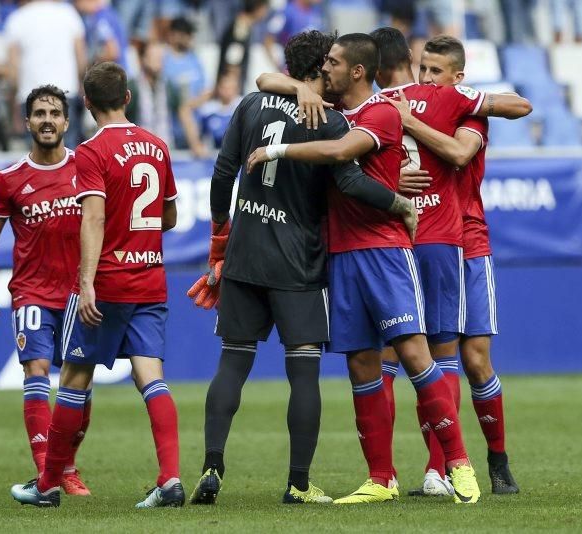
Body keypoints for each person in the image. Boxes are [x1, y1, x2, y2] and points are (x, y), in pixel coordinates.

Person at [186, 29, 419, 506]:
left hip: (245, 255)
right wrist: (398, 203)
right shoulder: (329, 120)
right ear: (320, 70)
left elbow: (222, 173)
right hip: (298, 261)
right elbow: (352, 183)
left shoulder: (251, 105)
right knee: (303, 375)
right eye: (329, 65)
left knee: (232, 362)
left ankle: (212, 466)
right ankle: (297, 483)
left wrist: (219, 238)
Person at [250, 33, 481, 505]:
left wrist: (277, 151)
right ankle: (381, 479)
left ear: (356, 71)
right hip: (341, 255)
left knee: (415, 354)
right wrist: (302, 89)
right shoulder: (332, 109)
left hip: (385, 252)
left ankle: (458, 463)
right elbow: (264, 78)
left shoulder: (380, 112)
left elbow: (339, 154)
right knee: (360, 363)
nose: (325, 69)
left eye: (332, 63)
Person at [10, 62, 183, 508]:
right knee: (152, 379)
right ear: (128, 97)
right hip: (151, 279)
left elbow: (93, 217)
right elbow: (170, 216)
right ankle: (170, 479)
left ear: (85, 104)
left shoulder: (91, 151)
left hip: (107, 283)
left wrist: (85, 282)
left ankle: (47, 484)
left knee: (73, 377)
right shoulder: (158, 146)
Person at [377, 31, 529, 496]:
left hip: (469, 240)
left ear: (458, 78)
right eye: (422, 69)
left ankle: (497, 461)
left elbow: (461, 152)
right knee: (415, 355)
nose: (426, 79)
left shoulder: (469, 112)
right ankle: (436, 468)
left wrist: (411, 122)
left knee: (475, 357)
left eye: (435, 72)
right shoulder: (408, 105)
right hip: (421, 237)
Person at [0, 85, 90, 496]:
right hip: (33, 293)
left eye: (54, 113)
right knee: (37, 372)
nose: (47, 119)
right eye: (39, 113)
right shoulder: (8, 179)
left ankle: (67, 466)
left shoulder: (88, 167)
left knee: (79, 389)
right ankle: (47, 477)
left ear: (66, 121)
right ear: (27, 122)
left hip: (82, 295)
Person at [4, 0, 86, 147]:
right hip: (66, 91)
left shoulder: (17, 19)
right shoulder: (68, 13)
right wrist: (82, 85)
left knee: (37, 155)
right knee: (70, 153)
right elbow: (81, 59)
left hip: (31, 95)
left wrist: (13, 102)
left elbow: (13, 70)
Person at [163, 16, 206, 149]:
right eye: (186, 33)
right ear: (173, 35)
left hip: (195, 130)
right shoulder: (163, 60)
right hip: (170, 134)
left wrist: (191, 104)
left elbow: (206, 91)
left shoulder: (194, 59)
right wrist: (183, 106)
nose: (189, 37)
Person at [179, 70, 242, 158]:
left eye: (231, 88)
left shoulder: (244, 107)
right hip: (213, 157)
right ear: (218, 88)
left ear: (237, 89)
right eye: (225, 88)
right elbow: (185, 110)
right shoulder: (208, 110)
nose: (228, 92)